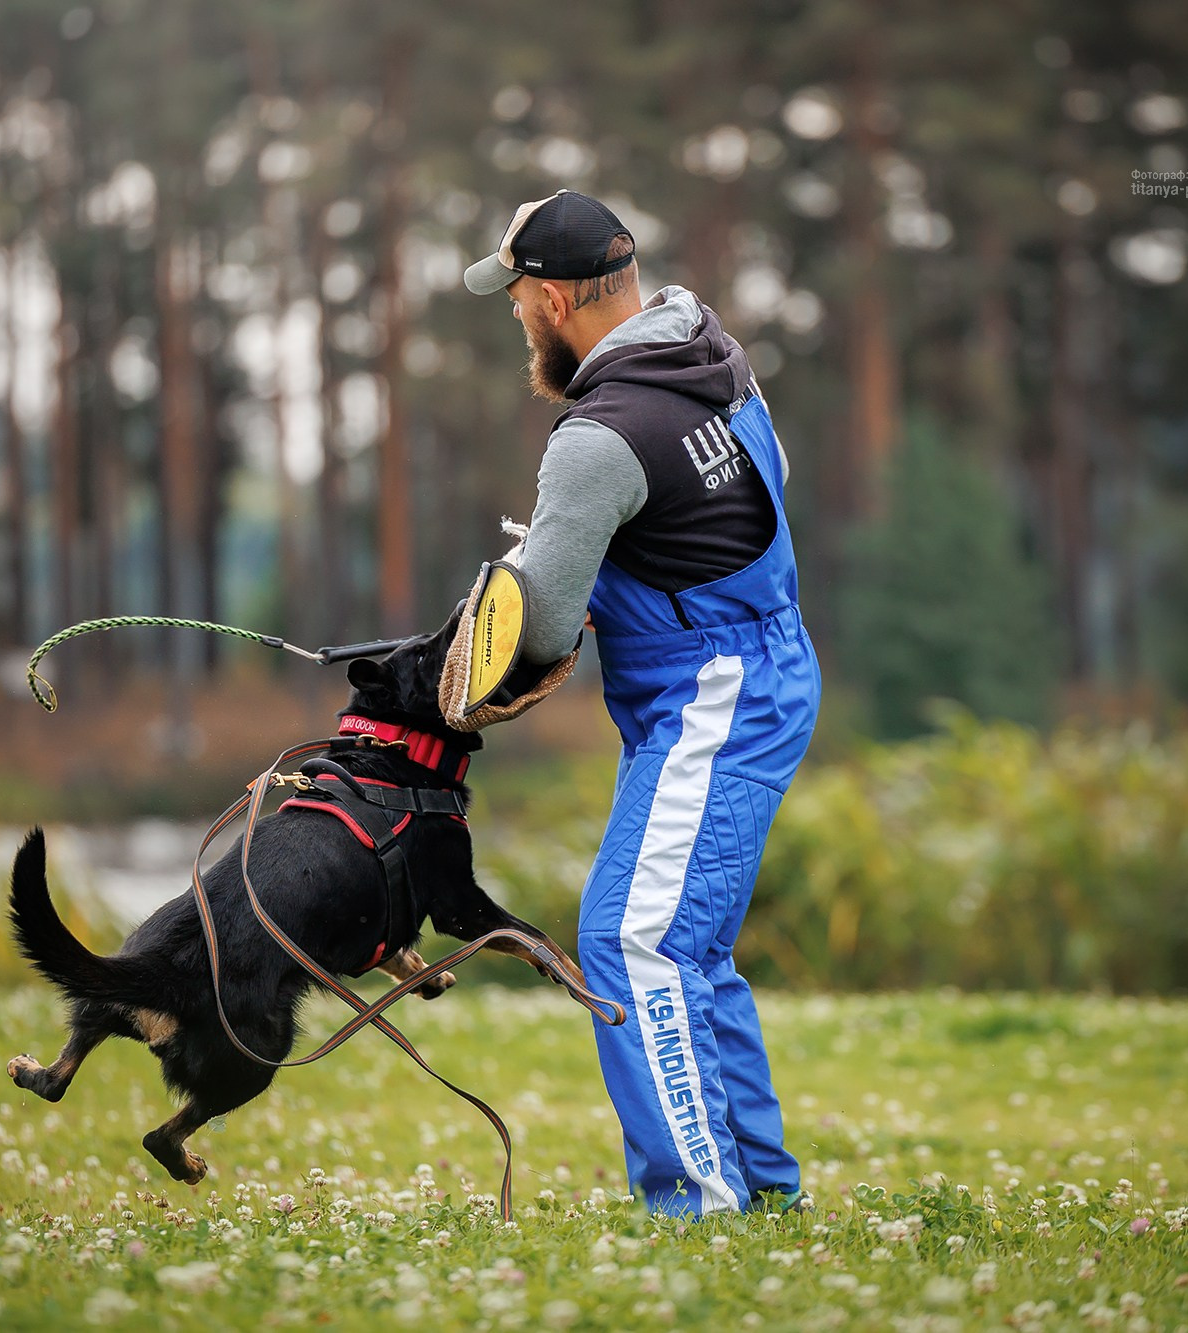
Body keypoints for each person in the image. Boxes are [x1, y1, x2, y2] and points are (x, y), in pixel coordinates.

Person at [461, 189, 821, 1215]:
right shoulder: (710, 352)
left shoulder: (597, 437)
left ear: (552, 299)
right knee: (686, 946)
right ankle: (764, 1194)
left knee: (632, 939)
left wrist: (501, 613)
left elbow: (537, 630)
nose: (516, 314)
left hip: (712, 695)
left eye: (517, 297)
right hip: (766, 666)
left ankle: (699, 1206)